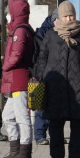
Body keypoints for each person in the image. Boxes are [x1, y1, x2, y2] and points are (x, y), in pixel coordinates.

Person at [36, 1, 80, 158]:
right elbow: (42, 58)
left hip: (77, 87)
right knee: (55, 125)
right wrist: (42, 77)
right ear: (59, 17)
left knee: (77, 125)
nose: (69, 18)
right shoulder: (51, 35)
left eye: (71, 15)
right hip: (54, 86)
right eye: (65, 16)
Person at [1, 0, 35, 158]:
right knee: (8, 116)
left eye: (8, 11)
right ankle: (14, 150)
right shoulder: (17, 30)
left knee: (22, 116)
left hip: (19, 79)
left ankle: (25, 152)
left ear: (15, 12)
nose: (6, 14)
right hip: (14, 79)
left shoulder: (20, 31)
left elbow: (17, 55)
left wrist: (5, 66)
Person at [33, 9, 59, 145]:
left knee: (54, 104)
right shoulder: (42, 34)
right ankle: (39, 134)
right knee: (41, 103)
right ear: (55, 19)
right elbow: (39, 57)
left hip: (57, 72)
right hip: (43, 72)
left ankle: (52, 134)